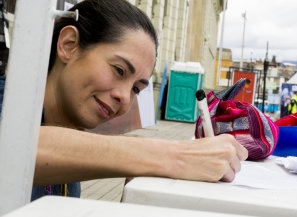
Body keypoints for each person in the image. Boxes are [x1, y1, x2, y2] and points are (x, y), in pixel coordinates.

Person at [0, 0, 248, 201]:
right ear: (69, 45)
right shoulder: (7, 102)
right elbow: (13, 145)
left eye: (137, 89)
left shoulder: (69, 152)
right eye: (119, 70)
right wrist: (176, 157)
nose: (124, 97)